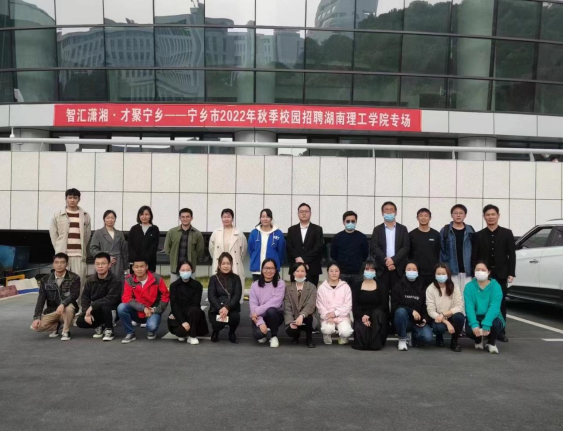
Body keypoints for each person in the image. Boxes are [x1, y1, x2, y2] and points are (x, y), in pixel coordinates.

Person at [472, 205, 516, 343]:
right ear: (484, 217)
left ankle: (500, 331)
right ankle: (483, 329)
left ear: (498, 216)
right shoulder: (478, 235)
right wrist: (475, 272)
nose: (490, 217)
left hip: (501, 273)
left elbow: (512, 254)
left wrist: (511, 272)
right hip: (483, 275)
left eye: (493, 214)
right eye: (487, 214)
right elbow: (475, 255)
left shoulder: (507, 233)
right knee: (482, 302)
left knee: (500, 303)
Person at [117, 260, 170, 344]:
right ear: (133, 268)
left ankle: (151, 330)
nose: (139, 269)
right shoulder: (129, 279)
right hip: (137, 310)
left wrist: (156, 309)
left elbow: (165, 295)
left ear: (146, 267)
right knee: (121, 307)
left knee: (152, 326)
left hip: (152, 310)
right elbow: (126, 298)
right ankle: (130, 333)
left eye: (142, 266)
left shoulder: (156, 278)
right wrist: (143, 308)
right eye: (136, 267)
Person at [49, 189, 91, 292]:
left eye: (75, 198)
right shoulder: (58, 215)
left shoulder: (85, 215)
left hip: (79, 255)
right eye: (70, 197)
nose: (72, 200)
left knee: (79, 283)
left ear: (79, 199)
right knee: (61, 283)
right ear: (66, 199)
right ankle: (61, 302)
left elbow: (87, 235)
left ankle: (77, 303)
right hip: (63, 255)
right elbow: (53, 234)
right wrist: (58, 249)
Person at [31, 253, 80, 341]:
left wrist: (63, 304)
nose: (59, 265)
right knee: (36, 327)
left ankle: (66, 331)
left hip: (68, 309)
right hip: (53, 311)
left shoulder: (74, 278)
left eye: (62, 262)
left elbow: (74, 294)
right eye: (56, 262)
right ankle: (56, 326)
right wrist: (37, 317)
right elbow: (41, 299)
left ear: (67, 264)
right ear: (53, 264)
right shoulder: (45, 280)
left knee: (68, 308)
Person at [76, 252, 122, 342]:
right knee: (80, 321)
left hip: (112, 310)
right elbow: (85, 298)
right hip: (96, 310)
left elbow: (112, 298)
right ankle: (100, 325)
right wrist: (86, 313)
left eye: (103, 263)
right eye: (97, 264)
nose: (100, 266)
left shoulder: (115, 280)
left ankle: (109, 329)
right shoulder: (90, 280)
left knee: (105, 305)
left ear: (109, 265)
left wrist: (93, 305)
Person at [371, 202, 410, 305]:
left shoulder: (403, 229)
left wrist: (393, 260)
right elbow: (374, 246)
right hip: (382, 269)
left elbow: (406, 247)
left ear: (395, 212)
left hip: (398, 269)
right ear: (382, 213)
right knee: (382, 298)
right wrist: (386, 261)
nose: (389, 212)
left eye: (391, 210)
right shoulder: (377, 229)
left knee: (397, 298)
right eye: (386, 210)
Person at [464, 261, 506, 354]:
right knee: (469, 330)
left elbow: (494, 307)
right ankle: (478, 339)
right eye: (477, 270)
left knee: (495, 324)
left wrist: (487, 323)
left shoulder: (496, 286)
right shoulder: (469, 287)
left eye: (483, 270)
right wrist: (474, 324)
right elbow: (469, 308)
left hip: (493, 317)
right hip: (476, 317)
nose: (480, 272)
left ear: (489, 272)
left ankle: (491, 342)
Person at [392, 261, 433, 351]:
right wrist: (411, 311)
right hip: (403, 320)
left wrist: (425, 319)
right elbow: (395, 306)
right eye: (409, 269)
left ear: (418, 271)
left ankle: (411, 336)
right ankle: (402, 339)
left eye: (414, 269)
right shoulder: (398, 285)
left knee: (428, 338)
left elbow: (427, 305)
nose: (412, 271)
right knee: (400, 311)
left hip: (418, 321)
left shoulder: (423, 286)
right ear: (405, 271)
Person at [209, 209, 248, 302]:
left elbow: (243, 251)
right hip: (220, 264)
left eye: (228, 217)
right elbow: (211, 249)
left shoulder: (239, 233)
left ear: (232, 218)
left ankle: (234, 306)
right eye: (224, 217)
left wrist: (235, 260)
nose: (226, 219)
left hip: (234, 264)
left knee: (234, 288)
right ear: (221, 218)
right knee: (218, 287)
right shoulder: (216, 233)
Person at [167, 261, 209, 345]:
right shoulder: (174, 286)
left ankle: (192, 336)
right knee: (181, 333)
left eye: (188, 270)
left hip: (192, 313)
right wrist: (183, 322)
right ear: (179, 271)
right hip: (179, 314)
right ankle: (185, 330)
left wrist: (187, 321)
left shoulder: (197, 285)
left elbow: (196, 303)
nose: (185, 272)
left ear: (192, 270)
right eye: (183, 270)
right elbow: (174, 305)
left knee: (195, 310)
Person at [426, 264, 465, 353]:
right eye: (438, 274)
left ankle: (454, 342)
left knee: (460, 317)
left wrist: (444, 314)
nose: (441, 276)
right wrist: (446, 322)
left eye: (443, 274)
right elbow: (431, 311)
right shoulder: (430, 289)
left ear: (448, 274)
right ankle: (439, 337)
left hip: (450, 315)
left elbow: (459, 306)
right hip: (437, 317)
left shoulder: (455, 287)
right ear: (435, 275)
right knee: (439, 327)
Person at [351, 260, 389, 351]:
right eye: (367, 269)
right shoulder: (357, 285)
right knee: (362, 342)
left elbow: (383, 304)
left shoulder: (381, 285)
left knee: (377, 315)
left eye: (372, 270)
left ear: (375, 271)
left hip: (376, 316)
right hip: (362, 315)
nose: (369, 271)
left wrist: (369, 315)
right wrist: (362, 316)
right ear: (363, 270)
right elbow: (355, 305)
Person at [249, 259, 286, 348]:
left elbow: (275, 302)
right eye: (266, 268)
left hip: (275, 315)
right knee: (258, 335)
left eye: (272, 268)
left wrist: (257, 311)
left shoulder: (280, 284)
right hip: (259, 316)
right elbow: (253, 306)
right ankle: (263, 332)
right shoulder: (255, 285)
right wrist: (261, 323)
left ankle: (274, 336)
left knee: (271, 310)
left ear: (275, 270)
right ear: (262, 270)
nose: (269, 271)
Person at [286, 203, 325, 287]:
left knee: (311, 292)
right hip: (296, 268)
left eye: (306, 211)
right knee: (295, 292)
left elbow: (318, 247)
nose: (304, 213)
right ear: (298, 214)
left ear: (310, 213)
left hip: (312, 268)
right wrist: (299, 260)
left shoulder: (317, 229)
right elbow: (289, 247)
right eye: (301, 211)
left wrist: (304, 259)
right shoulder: (291, 230)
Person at [208, 252, 243, 344]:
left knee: (235, 317)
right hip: (217, 309)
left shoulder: (236, 278)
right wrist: (220, 308)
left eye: (228, 263)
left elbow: (237, 295)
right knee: (218, 323)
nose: (226, 266)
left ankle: (232, 333)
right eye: (223, 263)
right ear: (219, 265)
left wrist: (227, 307)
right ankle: (216, 331)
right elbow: (211, 296)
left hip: (231, 308)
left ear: (231, 264)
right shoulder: (214, 279)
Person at [440, 204, 475, 294]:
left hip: (467, 271)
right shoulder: (445, 230)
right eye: (455, 213)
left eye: (461, 213)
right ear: (451, 215)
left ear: (465, 215)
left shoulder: (470, 230)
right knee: (452, 295)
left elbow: (475, 250)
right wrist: (444, 269)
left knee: (467, 295)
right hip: (451, 271)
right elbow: (441, 251)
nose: (458, 215)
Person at [330, 211, 369, 291]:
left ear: (356, 222)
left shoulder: (362, 237)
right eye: (348, 221)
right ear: (343, 222)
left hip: (357, 274)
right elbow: (333, 254)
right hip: (342, 273)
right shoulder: (337, 237)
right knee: (341, 295)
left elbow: (365, 254)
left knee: (356, 296)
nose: (350, 223)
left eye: (353, 221)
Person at [317, 262, 354, 346]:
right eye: (331, 271)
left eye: (336, 271)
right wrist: (328, 316)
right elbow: (320, 306)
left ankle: (343, 337)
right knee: (327, 329)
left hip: (342, 317)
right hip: (327, 317)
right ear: (327, 272)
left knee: (346, 331)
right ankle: (327, 335)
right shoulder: (322, 288)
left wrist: (335, 313)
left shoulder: (345, 287)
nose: (334, 273)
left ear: (340, 272)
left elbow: (348, 305)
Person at [164, 208, 205, 284]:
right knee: (174, 288)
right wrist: (173, 257)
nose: (185, 219)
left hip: (190, 268)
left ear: (191, 218)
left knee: (190, 289)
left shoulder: (197, 234)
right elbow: (167, 248)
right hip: (175, 267)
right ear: (180, 218)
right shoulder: (172, 232)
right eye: (183, 217)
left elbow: (199, 250)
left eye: (187, 217)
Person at [284, 263, 318, 348]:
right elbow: (287, 307)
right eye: (297, 271)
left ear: (306, 273)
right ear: (293, 273)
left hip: (307, 317)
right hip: (293, 317)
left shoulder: (312, 287)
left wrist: (302, 315)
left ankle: (309, 339)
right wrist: (290, 322)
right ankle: (296, 335)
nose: (300, 273)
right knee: (291, 331)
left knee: (309, 317)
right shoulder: (288, 288)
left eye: (302, 271)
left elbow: (311, 304)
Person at [89, 210, 129, 283]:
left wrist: (126, 267)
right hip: (103, 263)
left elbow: (124, 251)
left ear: (115, 219)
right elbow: (93, 249)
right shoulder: (98, 233)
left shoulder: (120, 234)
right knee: (103, 282)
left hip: (118, 263)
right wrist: (106, 256)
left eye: (112, 218)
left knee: (118, 283)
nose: (110, 220)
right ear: (104, 219)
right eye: (108, 218)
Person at [248, 209, 286, 282]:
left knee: (273, 288)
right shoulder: (254, 233)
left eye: (268, 217)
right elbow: (251, 250)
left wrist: (276, 263)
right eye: (263, 217)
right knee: (257, 288)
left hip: (272, 271)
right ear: (260, 218)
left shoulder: (278, 233)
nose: (265, 219)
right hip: (257, 270)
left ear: (271, 218)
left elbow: (281, 252)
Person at [409, 208, 441, 290]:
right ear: (417, 218)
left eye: (426, 216)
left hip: (432, 272)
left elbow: (438, 252)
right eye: (421, 216)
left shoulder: (436, 234)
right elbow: (408, 254)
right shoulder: (411, 235)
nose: (423, 218)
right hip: (416, 272)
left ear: (430, 218)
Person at [128, 206, 160, 273]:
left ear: (150, 216)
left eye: (147, 214)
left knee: (149, 278)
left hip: (150, 262)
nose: (144, 216)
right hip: (136, 262)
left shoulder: (154, 229)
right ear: (139, 216)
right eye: (142, 214)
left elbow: (154, 246)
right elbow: (130, 245)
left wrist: (145, 260)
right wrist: (136, 260)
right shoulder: (134, 229)